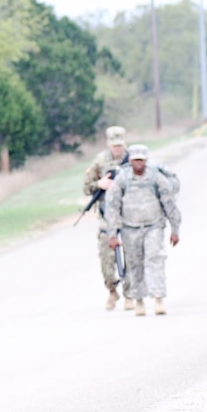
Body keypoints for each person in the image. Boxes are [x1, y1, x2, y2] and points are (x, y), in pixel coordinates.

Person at [105, 144, 181, 316]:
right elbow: (113, 206)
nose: (138, 164)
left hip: (153, 227)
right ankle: (139, 300)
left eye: (141, 160)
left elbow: (169, 204)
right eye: (135, 160)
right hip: (130, 229)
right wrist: (113, 234)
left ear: (146, 161)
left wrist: (175, 229)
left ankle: (158, 298)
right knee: (134, 265)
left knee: (155, 259)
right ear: (130, 161)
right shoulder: (123, 179)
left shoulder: (156, 178)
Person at [82, 126, 132, 310]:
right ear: (108, 144)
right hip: (106, 215)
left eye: (120, 145)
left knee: (131, 256)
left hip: (129, 214)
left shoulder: (134, 159)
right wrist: (100, 184)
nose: (117, 149)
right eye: (114, 145)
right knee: (106, 256)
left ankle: (130, 294)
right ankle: (112, 291)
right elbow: (86, 187)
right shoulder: (100, 161)